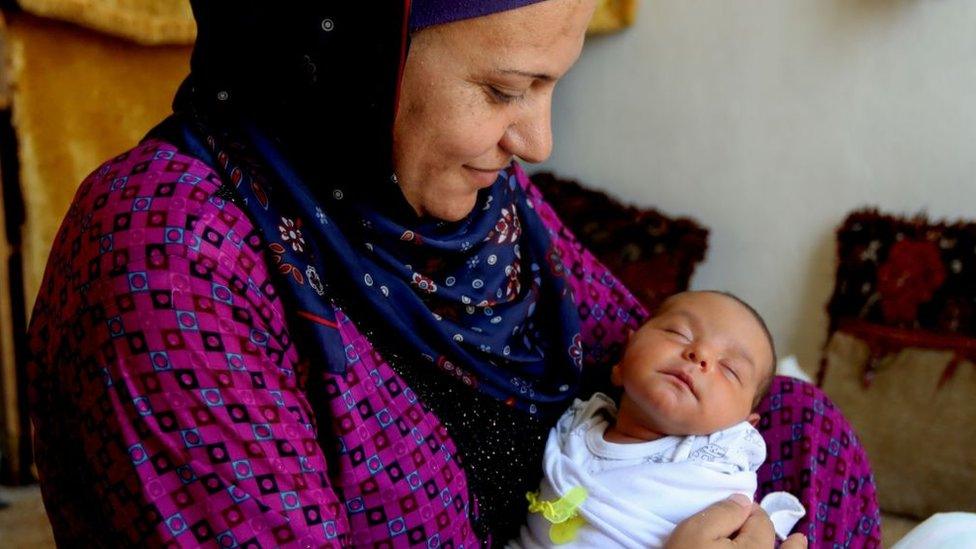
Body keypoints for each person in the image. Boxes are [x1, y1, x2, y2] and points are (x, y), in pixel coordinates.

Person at [25, 1, 880, 547]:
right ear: (350, 53)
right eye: (507, 89)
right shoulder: (171, 254)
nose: (537, 143)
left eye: (552, 86)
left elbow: (738, 390)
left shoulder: (481, 211)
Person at [512, 291, 805, 547]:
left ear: (743, 427)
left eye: (730, 369)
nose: (699, 353)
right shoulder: (576, 421)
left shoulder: (716, 468)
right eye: (679, 333)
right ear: (623, 359)